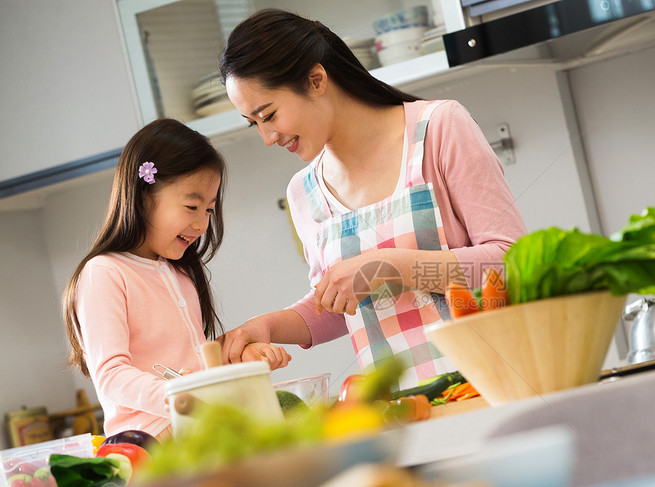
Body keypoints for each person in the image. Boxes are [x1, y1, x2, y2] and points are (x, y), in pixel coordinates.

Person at [218, 9, 527, 388]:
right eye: (255, 124)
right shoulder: (304, 192)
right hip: (398, 413)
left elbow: (509, 264)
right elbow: (337, 306)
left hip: (493, 387)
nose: (267, 137)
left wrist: (388, 267)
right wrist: (269, 324)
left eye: (268, 115)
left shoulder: (440, 128)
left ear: (316, 80)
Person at [63, 118, 290, 440]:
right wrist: (183, 399)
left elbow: (191, 365)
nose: (201, 224)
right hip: (148, 444)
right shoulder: (105, 273)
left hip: (198, 435)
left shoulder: (179, 273)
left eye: (209, 210)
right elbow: (111, 375)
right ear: (144, 195)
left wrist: (241, 359)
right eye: (191, 206)